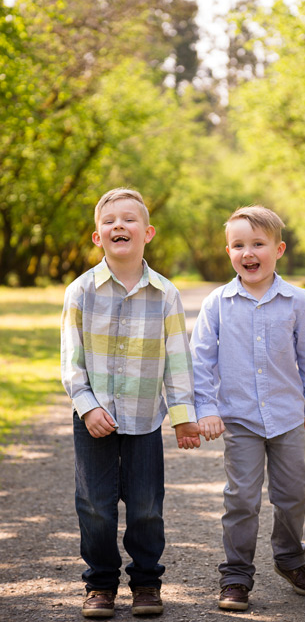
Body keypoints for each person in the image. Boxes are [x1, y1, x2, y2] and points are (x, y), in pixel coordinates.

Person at [61, 188, 201, 618]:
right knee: (95, 506)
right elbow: (72, 361)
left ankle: (145, 583)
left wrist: (182, 418)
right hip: (95, 422)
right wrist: (87, 405)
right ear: (97, 237)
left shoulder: (166, 294)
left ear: (148, 233)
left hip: (145, 420)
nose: (119, 225)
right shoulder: (81, 291)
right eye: (109, 221)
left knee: (146, 508)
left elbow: (177, 361)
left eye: (129, 219)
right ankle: (100, 585)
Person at [190, 205, 305, 612]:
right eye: (238, 245)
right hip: (240, 419)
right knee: (242, 497)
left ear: (279, 249)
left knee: (292, 494)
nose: (247, 253)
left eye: (258, 244)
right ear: (228, 251)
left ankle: (289, 559)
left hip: (286, 417)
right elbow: (200, 361)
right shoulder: (217, 303)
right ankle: (236, 574)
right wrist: (205, 408)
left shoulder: (297, 301)